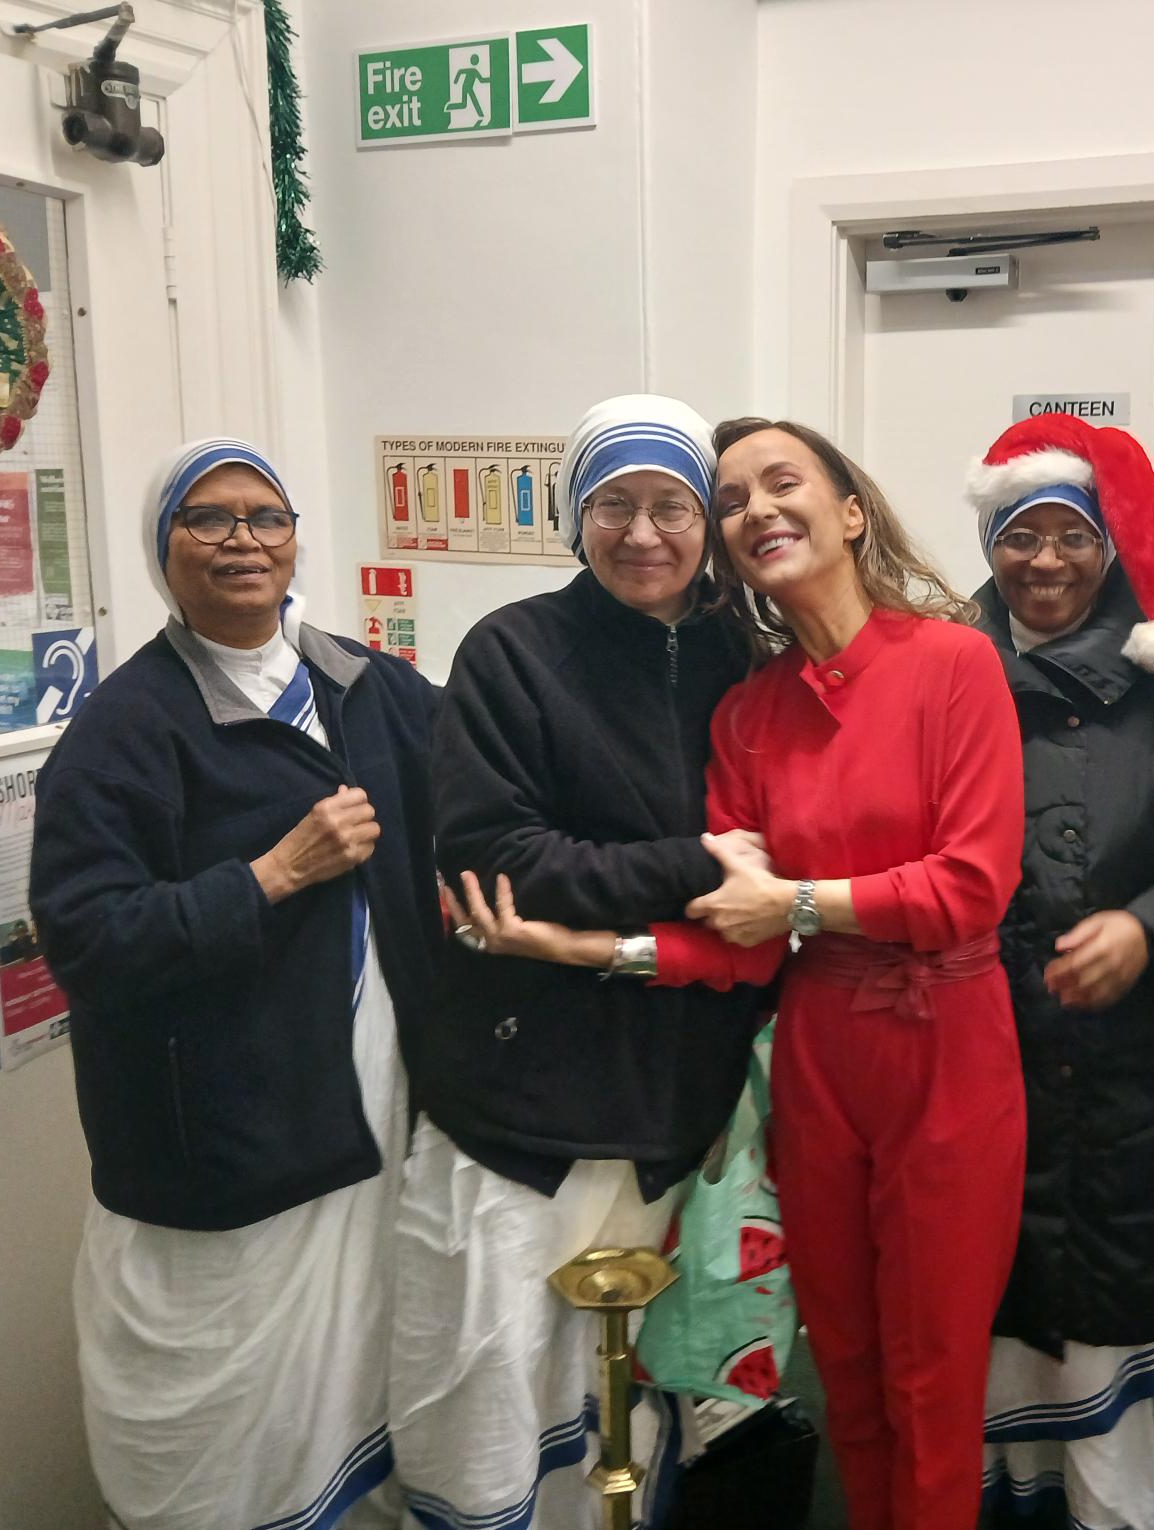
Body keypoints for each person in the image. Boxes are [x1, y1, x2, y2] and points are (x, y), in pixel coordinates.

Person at [448, 417, 1027, 1530]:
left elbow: (971, 886)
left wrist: (804, 902)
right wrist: (585, 949)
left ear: (850, 509)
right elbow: (739, 932)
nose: (755, 509)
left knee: (934, 1380)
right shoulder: (752, 709)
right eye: (733, 498)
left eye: (782, 482)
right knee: (847, 1373)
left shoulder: (953, 662)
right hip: (817, 1053)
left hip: (947, 1050)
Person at [31, 438, 440, 1530]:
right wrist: (270, 876)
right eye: (208, 520)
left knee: (355, 1409)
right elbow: (86, 941)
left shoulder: (364, 684)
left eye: (266, 516)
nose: (243, 541)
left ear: (298, 538)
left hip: (360, 1134)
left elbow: (492, 773)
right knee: (214, 1449)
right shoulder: (124, 731)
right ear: (163, 553)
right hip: (222, 1159)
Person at [389, 395, 767, 1528]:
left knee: (638, 1410)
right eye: (613, 506)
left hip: (680, 1106)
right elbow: (496, 861)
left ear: (706, 523)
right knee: (496, 1393)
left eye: (670, 506)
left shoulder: (747, 656)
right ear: (573, 518)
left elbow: (783, 875)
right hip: (524, 1110)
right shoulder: (512, 652)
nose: (642, 534)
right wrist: (693, 864)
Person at [965, 416, 1154, 1530]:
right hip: (987, 1068)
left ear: (1109, 544)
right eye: (1019, 536)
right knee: (1005, 1349)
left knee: (1141, 1391)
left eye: (1071, 536)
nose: (1044, 562)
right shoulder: (946, 668)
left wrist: (1153, 928)